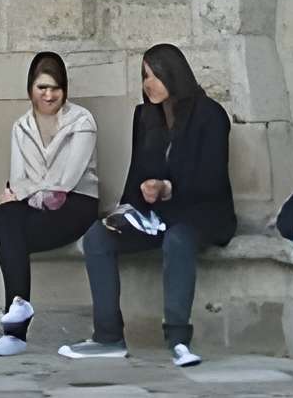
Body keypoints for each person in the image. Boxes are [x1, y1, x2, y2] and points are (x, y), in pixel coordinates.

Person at [60, 43, 235, 370]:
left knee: (178, 239)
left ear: (175, 75)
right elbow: (137, 174)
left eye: (155, 75)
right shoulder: (145, 116)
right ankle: (108, 337)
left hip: (202, 213)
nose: (148, 84)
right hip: (156, 215)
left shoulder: (210, 115)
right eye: (144, 76)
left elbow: (212, 180)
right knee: (98, 237)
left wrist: (168, 189)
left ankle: (179, 339)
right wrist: (128, 209)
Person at [0, 51, 99, 358]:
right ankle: (17, 318)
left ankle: (15, 327)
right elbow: (17, 177)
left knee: (12, 221)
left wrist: (20, 192)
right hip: (36, 206)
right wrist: (18, 193)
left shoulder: (82, 121)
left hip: (77, 204)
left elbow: (67, 179)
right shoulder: (21, 127)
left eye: (55, 88)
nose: (49, 95)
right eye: (42, 88)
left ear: (64, 89)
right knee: (3, 216)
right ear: (30, 89)